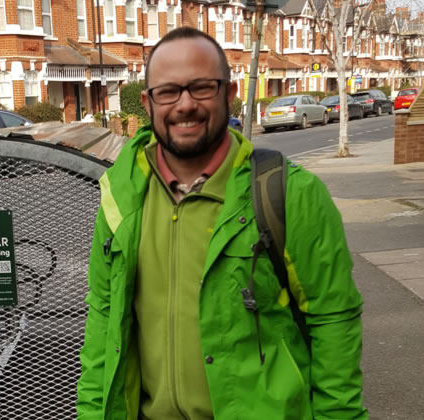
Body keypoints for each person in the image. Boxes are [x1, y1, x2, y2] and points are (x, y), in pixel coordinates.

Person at [76, 27, 368, 420]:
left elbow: (334, 321)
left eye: (201, 88)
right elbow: (102, 329)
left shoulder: (290, 194)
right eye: (168, 91)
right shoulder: (122, 198)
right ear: (148, 103)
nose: (185, 105)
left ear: (229, 95)